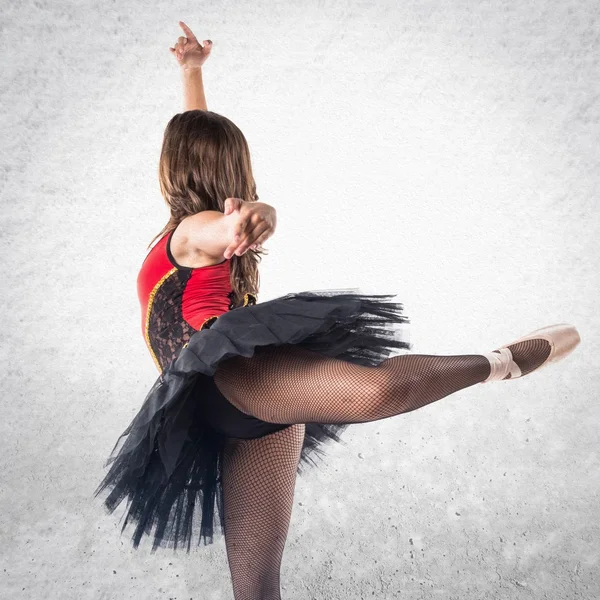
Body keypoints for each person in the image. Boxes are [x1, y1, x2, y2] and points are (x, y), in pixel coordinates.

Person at [94, 21, 581, 600]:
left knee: (368, 405)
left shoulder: (190, 229)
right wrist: (199, 87)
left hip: (249, 393)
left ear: (173, 169)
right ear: (229, 171)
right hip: (221, 392)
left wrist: (250, 201)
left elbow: (218, 195)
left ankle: (502, 362)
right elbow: (216, 193)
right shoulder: (191, 229)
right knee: (262, 579)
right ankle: (498, 363)